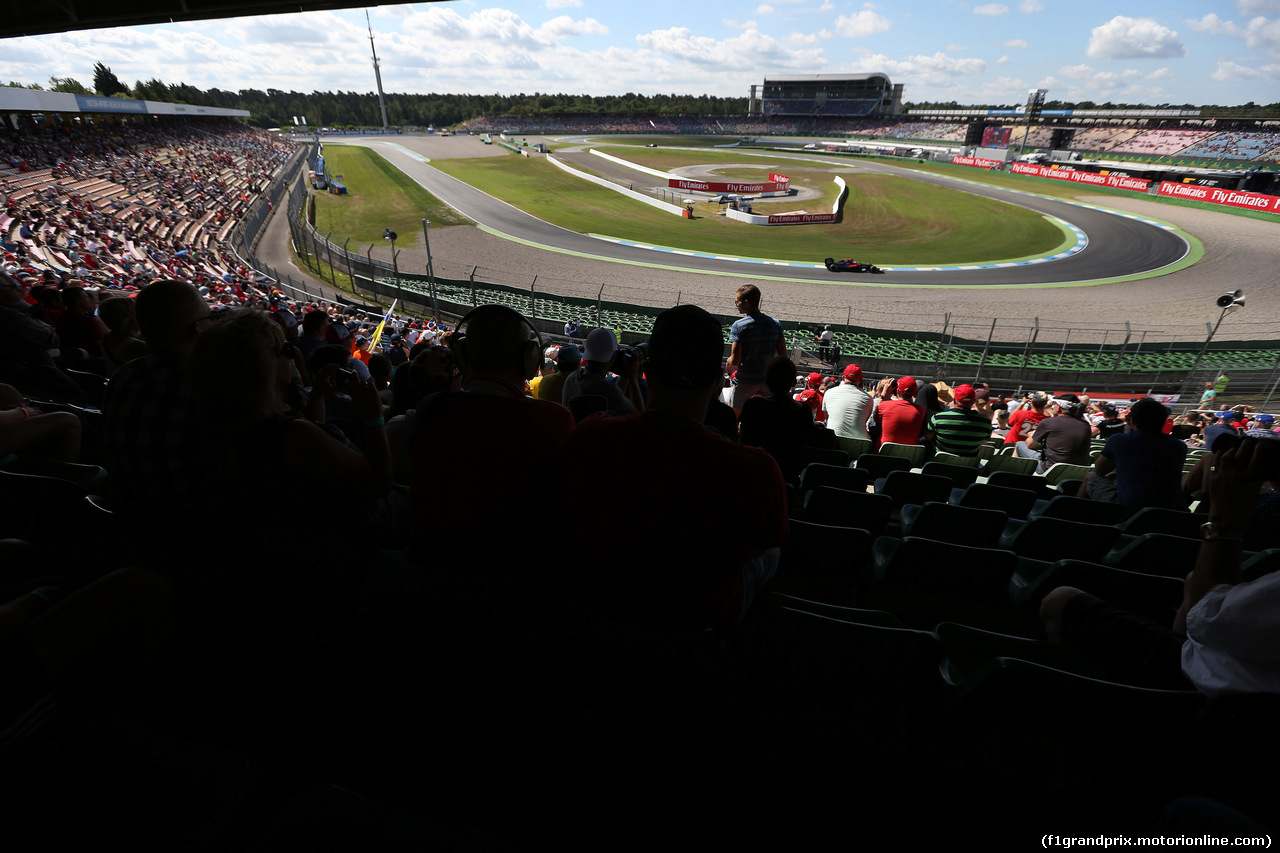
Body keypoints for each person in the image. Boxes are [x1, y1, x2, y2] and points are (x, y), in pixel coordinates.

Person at [557, 305, 788, 630]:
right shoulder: (757, 471)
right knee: (772, 556)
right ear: (716, 380)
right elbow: (772, 537)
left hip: (597, 616)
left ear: (648, 370)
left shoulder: (590, 435)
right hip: (698, 631)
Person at [1041, 435, 1280, 696]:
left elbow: (1210, 619)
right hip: (1235, 666)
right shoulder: (1178, 446)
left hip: (1223, 687)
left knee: (1060, 599)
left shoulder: (1126, 441)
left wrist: (1224, 518)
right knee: (1191, 581)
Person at [407, 304, 575, 565]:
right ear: (531, 358)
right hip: (520, 572)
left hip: (434, 564)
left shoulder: (432, 409)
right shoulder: (552, 419)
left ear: (461, 355)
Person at [1082, 397, 1188, 515]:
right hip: (1170, 511)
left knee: (1091, 476)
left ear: (1132, 420)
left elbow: (1099, 471)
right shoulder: (1179, 446)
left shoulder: (1119, 440)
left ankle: (1074, 517)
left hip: (1130, 509)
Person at [726, 284, 786, 415]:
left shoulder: (738, 325)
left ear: (746, 303)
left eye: (737, 301)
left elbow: (735, 360)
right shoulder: (775, 323)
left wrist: (728, 363)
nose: (736, 304)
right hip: (767, 382)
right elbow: (783, 357)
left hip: (745, 381)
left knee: (734, 417)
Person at [562, 328, 644, 416]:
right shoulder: (607, 389)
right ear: (613, 356)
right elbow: (639, 415)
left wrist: (624, 376)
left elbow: (616, 398)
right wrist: (632, 377)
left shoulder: (571, 378)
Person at [1017, 393, 1092, 473]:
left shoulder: (1048, 422)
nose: (1053, 406)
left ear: (1059, 407)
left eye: (1055, 404)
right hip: (1078, 471)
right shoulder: (1086, 425)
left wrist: (1031, 435)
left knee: (1019, 444)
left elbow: (1031, 445)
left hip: (1051, 470)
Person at [926, 383, 990, 458]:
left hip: (940, 463)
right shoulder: (986, 422)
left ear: (954, 400)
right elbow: (984, 442)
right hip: (968, 465)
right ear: (973, 401)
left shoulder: (938, 418)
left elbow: (928, 437)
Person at [822, 363, 871, 441]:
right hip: (860, 444)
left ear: (843, 377)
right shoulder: (869, 398)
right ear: (861, 380)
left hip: (833, 440)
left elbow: (827, 417)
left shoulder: (829, 392)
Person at [877, 376, 926, 449]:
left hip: (884, 452)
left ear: (897, 391)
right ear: (915, 392)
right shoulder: (922, 410)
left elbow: (876, 419)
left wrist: (884, 394)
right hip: (910, 454)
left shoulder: (884, 405)